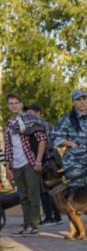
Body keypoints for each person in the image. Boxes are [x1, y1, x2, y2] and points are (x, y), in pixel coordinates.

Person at [52, 89, 87, 237]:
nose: (82, 102)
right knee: (73, 197)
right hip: (73, 163)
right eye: (78, 99)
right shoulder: (66, 119)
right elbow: (55, 138)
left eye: (84, 99)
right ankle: (76, 229)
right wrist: (69, 143)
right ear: (73, 102)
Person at [4, 93, 49, 235]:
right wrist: (8, 167)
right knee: (22, 195)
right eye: (11, 103)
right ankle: (26, 223)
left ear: (21, 104)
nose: (14, 106)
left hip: (30, 162)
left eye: (16, 103)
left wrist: (38, 161)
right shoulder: (9, 124)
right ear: (8, 106)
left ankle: (34, 224)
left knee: (32, 194)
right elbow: (8, 147)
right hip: (16, 164)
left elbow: (42, 139)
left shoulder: (30, 119)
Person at [23, 104, 62, 227]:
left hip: (47, 160)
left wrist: (41, 159)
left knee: (48, 189)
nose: (28, 115)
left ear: (38, 113)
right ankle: (54, 216)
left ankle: (52, 217)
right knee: (43, 189)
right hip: (38, 160)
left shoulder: (44, 125)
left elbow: (49, 143)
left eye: (30, 112)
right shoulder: (29, 128)